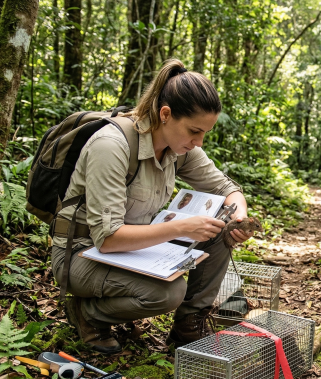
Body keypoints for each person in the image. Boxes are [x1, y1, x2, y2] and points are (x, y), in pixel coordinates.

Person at [51, 59, 254, 354]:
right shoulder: (112, 146)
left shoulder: (180, 146)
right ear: (165, 114)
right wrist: (182, 227)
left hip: (134, 248)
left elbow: (227, 188)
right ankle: (88, 314)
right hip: (82, 255)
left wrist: (239, 217)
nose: (199, 142)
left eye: (204, 134)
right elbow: (106, 240)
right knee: (168, 292)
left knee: (220, 232)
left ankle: (188, 326)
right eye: (194, 131)